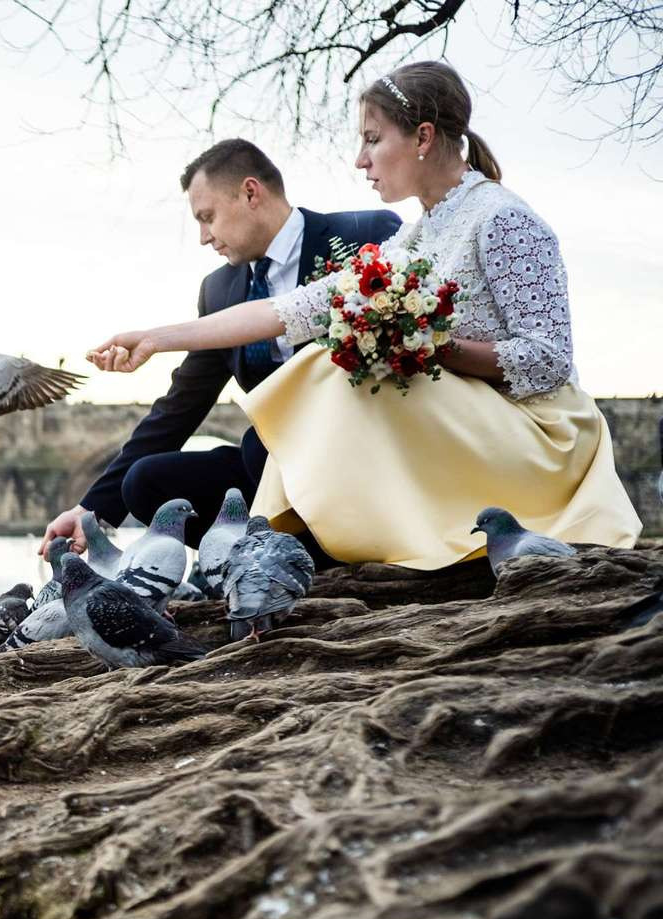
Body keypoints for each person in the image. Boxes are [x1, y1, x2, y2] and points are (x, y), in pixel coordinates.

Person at [88, 62, 639, 569]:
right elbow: (294, 308)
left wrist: (424, 347)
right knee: (333, 359)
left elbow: (547, 360)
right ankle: (312, 548)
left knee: (332, 368)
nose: (360, 159)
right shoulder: (416, 234)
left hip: (535, 437)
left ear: (423, 138)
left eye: (372, 140)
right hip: (461, 428)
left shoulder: (504, 220)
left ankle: (321, 547)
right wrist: (156, 338)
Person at [41, 140, 399, 553]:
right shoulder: (219, 290)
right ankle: (279, 560)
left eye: (207, 218)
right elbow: (179, 408)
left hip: (363, 459)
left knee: (257, 446)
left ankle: (320, 554)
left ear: (250, 193)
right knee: (146, 481)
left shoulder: (362, 235)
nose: (203, 237)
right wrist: (91, 509)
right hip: (275, 470)